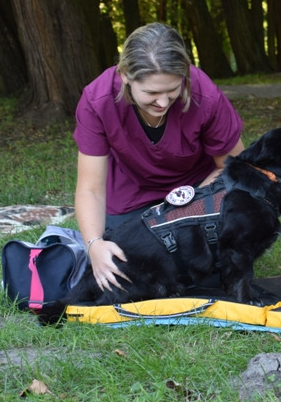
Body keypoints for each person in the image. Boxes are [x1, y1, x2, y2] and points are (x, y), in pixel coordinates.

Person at [73, 23, 245, 292]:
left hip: (198, 189)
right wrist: (94, 244)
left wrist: (187, 209)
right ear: (125, 75)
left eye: (172, 90)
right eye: (152, 93)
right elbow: (91, 189)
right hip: (132, 194)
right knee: (127, 271)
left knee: (209, 278)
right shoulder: (97, 100)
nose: (163, 103)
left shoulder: (205, 95)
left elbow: (234, 167)